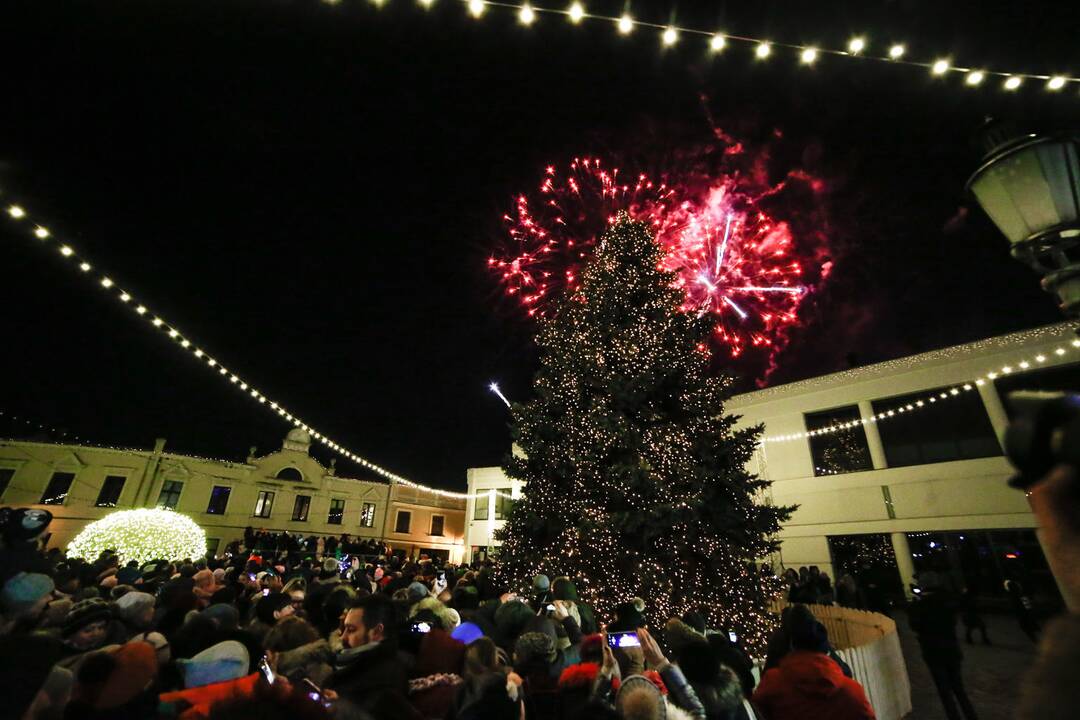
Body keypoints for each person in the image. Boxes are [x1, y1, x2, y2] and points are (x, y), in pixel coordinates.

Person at [752, 610, 875, 720]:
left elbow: (755, 712)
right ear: (825, 649)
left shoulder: (773, 683)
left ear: (791, 645)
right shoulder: (852, 692)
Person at [325, 593, 419, 718]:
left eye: (351, 630)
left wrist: (341, 707)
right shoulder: (353, 664)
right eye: (344, 629)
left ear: (376, 632)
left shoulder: (387, 678)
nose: (343, 637)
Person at [907, 573, 978, 720]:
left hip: (933, 651)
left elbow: (915, 625)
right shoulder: (947, 602)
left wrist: (916, 604)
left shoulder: (920, 605)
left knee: (945, 692)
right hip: (952, 649)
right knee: (959, 689)